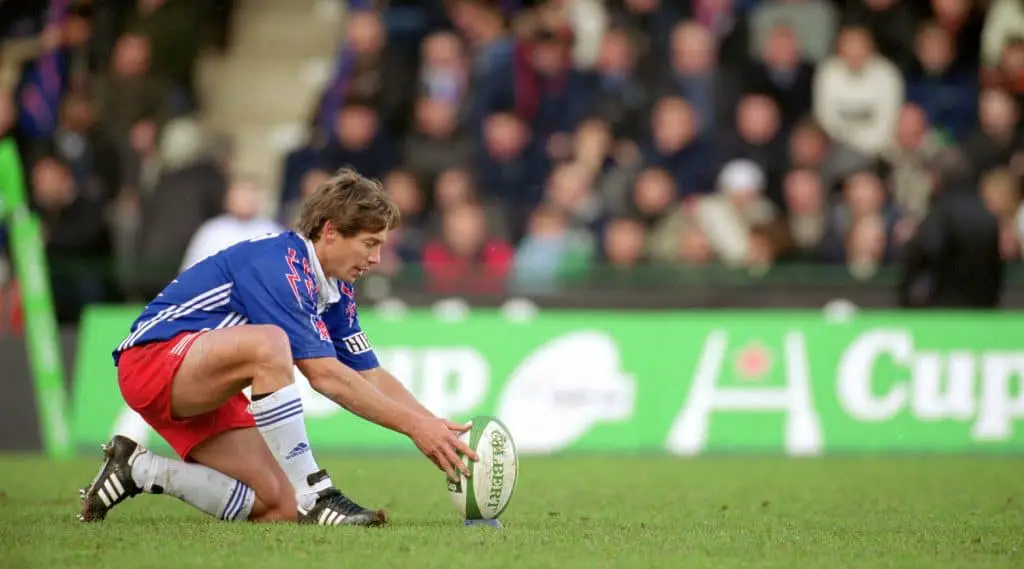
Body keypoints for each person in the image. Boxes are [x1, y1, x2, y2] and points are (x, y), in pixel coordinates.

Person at [77, 168, 479, 526]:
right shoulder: (280, 264)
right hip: (153, 362)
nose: (376, 258)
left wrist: (433, 426)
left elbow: (368, 374)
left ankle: (138, 470)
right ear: (330, 232)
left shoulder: (336, 288)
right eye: (370, 244)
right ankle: (316, 495)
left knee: (277, 506)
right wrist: (413, 427)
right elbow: (323, 375)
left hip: (208, 382)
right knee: (272, 343)